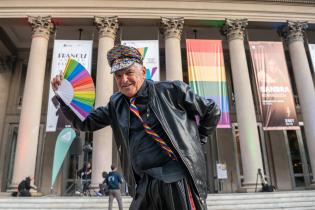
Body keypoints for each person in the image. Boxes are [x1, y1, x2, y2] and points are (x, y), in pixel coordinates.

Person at [51, 45, 221, 210]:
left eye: (129, 72)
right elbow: (85, 123)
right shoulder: (115, 104)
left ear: (143, 72)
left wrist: (199, 140)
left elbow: (212, 111)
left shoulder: (171, 90)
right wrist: (64, 99)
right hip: (144, 183)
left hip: (176, 178)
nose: (124, 80)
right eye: (118, 76)